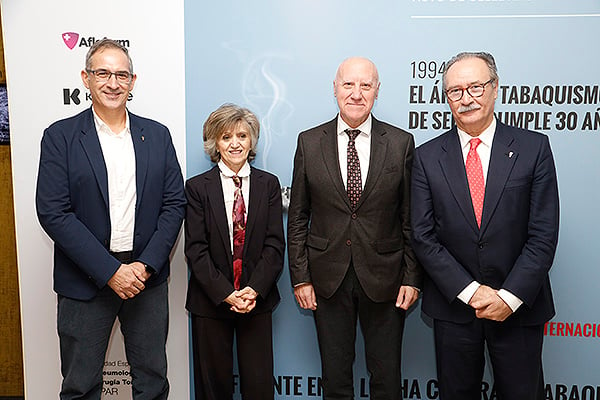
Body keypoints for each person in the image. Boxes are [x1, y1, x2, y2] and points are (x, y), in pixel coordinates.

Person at [36, 38, 186, 399]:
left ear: (133, 82)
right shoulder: (60, 137)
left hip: (144, 281)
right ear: (85, 78)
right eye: (103, 73)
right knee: (81, 386)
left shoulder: (158, 135)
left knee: (152, 382)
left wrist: (145, 266)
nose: (113, 83)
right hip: (84, 282)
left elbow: (174, 204)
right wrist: (110, 271)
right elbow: (53, 212)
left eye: (122, 74)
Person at [411, 52, 559, 400]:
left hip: (518, 308)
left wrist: (508, 297)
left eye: (476, 86)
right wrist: (472, 291)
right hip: (455, 309)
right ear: (446, 99)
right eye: (456, 91)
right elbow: (423, 234)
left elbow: (543, 234)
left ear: (495, 88)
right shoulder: (426, 157)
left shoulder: (533, 148)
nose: (467, 98)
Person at [287, 57, 422, 400]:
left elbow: (411, 218)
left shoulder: (401, 142)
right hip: (326, 278)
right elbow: (298, 217)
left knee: (387, 378)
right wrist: (300, 277)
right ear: (335, 88)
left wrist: (411, 277)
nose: (357, 93)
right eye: (349, 84)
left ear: (378, 90)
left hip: (386, 278)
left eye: (366, 85)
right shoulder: (308, 142)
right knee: (335, 379)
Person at [184, 104, 285, 400]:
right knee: (213, 390)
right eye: (226, 136)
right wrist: (226, 293)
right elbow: (196, 250)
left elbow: (274, 245)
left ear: (252, 140)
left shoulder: (269, 184)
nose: (235, 143)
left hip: (256, 302)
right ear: (215, 143)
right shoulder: (197, 188)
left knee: (258, 388)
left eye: (242, 135)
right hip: (211, 302)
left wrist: (253, 290)